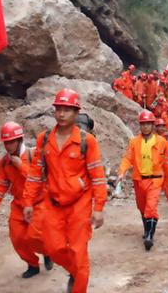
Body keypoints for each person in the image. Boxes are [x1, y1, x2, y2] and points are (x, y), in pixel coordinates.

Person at [22, 89, 107, 293]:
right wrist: (27, 202)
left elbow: (97, 176)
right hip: (54, 203)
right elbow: (35, 174)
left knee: (79, 253)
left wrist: (99, 207)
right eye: (58, 109)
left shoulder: (87, 142)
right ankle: (75, 272)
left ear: (76, 113)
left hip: (80, 204)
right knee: (53, 248)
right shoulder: (43, 140)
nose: (61, 114)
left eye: (67, 110)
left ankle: (78, 285)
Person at [0, 121, 52, 279]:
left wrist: (20, 166)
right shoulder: (5, 163)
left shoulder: (34, 155)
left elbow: (38, 179)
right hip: (19, 205)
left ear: (20, 140)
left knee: (35, 236)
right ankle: (32, 264)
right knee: (17, 238)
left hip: (38, 204)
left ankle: (47, 252)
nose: (8, 146)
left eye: (12, 142)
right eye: (6, 142)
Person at [117, 110, 168, 251]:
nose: (146, 127)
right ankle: (146, 229)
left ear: (152, 125)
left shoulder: (162, 142)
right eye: (143, 124)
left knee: (151, 208)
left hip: (155, 180)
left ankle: (149, 236)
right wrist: (121, 172)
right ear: (140, 126)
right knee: (142, 208)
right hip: (139, 180)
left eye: (148, 124)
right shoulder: (134, 142)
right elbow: (127, 158)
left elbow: (167, 162)